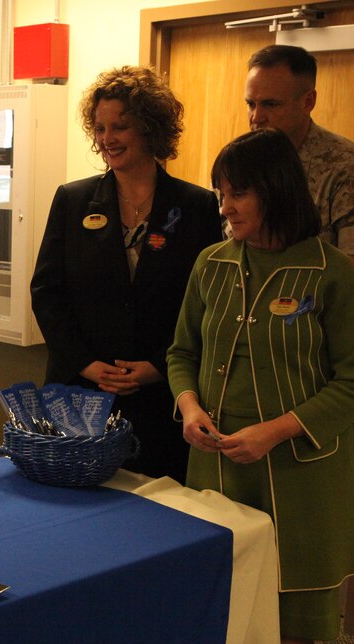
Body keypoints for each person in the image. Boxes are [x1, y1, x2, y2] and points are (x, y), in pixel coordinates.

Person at [167, 129, 354, 644]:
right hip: (216, 466)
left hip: (299, 475)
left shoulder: (327, 271)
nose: (225, 207)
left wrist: (277, 429)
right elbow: (180, 352)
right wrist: (188, 407)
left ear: (277, 192)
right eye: (219, 194)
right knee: (226, 604)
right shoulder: (211, 264)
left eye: (238, 194)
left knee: (291, 618)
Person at [30, 65, 222, 482]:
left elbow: (208, 304)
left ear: (151, 129)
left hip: (160, 396)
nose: (107, 139)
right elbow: (47, 292)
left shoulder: (197, 206)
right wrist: (86, 364)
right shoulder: (74, 200)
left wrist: (159, 365)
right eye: (99, 128)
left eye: (120, 126)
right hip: (81, 391)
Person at [244, 44, 354, 282]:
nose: (256, 117)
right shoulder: (243, 165)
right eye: (251, 104)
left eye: (270, 104)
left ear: (308, 102)